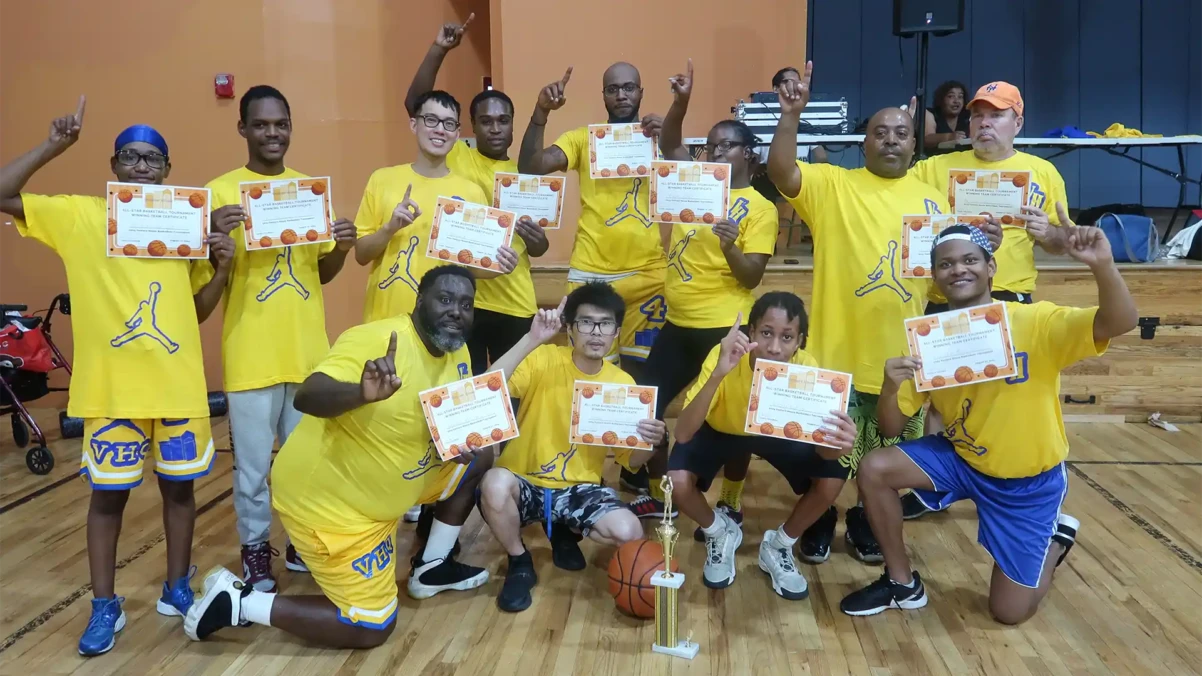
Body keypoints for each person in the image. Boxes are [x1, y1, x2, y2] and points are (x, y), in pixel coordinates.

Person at [0, 98, 235, 656]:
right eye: (131, 157)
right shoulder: (83, 216)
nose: (142, 167)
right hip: (111, 393)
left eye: (153, 159)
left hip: (176, 387)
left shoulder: (186, 223)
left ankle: (176, 587)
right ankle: (105, 605)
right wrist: (54, 146)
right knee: (108, 499)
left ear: (168, 170)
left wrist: (222, 266)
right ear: (114, 164)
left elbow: (197, 310)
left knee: (180, 492)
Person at [840, 220, 1137, 623]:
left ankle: (1055, 540)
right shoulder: (929, 338)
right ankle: (901, 582)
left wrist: (1103, 265)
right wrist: (892, 388)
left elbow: (1119, 323)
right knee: (875, 467)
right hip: (963, 458)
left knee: (1009, 613)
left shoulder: (1034, 322)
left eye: (969, 260)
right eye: (946, 264)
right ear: (935, 276)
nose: (958, 269)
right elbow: (891, 429)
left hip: (1025, 483)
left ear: (991, 267)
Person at [185, 266, 496, 648]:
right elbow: (307, 396)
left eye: (466, 304)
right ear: (419, 301)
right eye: (445, 300)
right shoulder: (377, 339)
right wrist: (360, 395)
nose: (456, 312)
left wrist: (458, 442)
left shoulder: (457, 351)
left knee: (481, 458)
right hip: (332, 507)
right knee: (372, 628)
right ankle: (239, 603)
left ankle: (431, 566)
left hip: (388, 491)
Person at [767, 62, 958, 564]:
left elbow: (949, 281)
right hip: (836, 359)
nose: (891, 140)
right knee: (825, 459)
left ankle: (863, 518)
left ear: (914, 146)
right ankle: (821, 516)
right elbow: (782, 172)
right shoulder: (834, 186)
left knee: (889, 456)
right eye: (880, 132)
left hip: (901, 362)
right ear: (864, 141)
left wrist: (985, 248)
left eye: (901, 133)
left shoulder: (936, 203)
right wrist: (791, 116)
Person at [204, 85, 358, 592]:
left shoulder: (307, 192)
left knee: (303, 465)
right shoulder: (221, 192)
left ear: (291, 128)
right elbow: (206, 274)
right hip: (251, 354)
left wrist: (341, 243)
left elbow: (327, 273)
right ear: (243, 128)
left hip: (308, 354)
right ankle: (253, 553)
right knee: (252, 472)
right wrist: (213, 237)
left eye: (281, 124)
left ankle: (299, 544)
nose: (273, 133)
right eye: (262, 124)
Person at [624, 60, 778, 522]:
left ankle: (731, 498)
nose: (713, 152)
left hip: (723, 327)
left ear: (749, 153)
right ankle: (658, 493)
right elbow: (671, 142)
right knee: (645, 403)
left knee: (729, 419)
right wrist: (681, 101)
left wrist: (730, 247)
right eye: (709, 146)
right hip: (677, 324)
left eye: (725, 145)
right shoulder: (695, 185)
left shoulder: (760, 208)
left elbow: (751, 277)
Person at [904, 81, 1071, 501]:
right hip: (945, 299)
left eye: (995, 115)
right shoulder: (935, 168)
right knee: (940, 398)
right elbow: (902, 210)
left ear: (1018, 121)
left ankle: (1004, 483)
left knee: (1005, 403)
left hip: (1011, 301)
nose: (984, 123)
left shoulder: (1043, 172)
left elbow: (1062, 241)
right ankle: (936, 488)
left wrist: (1047, 232)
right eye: (977, 115)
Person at [478, 283, 667, 612]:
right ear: (570, 329)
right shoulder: (543, 358)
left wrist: (652, 443)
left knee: (630, 529)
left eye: (605, 324)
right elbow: (486, 387)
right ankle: (519, 560)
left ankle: (565, 529)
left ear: (616, 332)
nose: (596, 332)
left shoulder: (624, 385)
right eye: (585, 322)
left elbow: (631, 460)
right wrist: (532, 339)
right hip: (524, 481)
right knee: (493, 484)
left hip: (579, 488)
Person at [666, 292, 859, 599]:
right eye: (766, 333)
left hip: (776, 434)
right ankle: (720, 531)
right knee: (676, 480)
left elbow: (824, 454)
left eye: (787, 337)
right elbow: (685, 434)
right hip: (722, 430)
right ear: (751, 332)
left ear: (799, 342)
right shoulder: (726, 354)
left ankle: (779, 545)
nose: (774, 347)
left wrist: (840, 444)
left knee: (833, 477)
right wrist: (718, 374)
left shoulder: (806, 367)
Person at [403, 14, 550, 376]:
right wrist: (439, 50)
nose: (495, 128)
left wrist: (537, 240)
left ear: (513, 124)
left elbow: (540, 248)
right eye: (486, 121)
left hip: (515, 303)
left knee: (514, 397)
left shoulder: (526, 175)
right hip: (465, 301)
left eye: (503, 120)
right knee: (462, 393)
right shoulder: (458, 155)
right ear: (472, 126)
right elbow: (416, 104)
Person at [517, 62, 666, 370]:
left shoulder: (659, 137)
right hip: (590, 273)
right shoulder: (583, 139)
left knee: (644, 372)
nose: (621, 95)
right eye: (613, 89)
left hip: (648, 276)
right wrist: (541, 113)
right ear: (603, 95)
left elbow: (693, 185)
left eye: (628, 88)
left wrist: (672, 140)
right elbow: (531, 168)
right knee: (589, 374)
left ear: (641, 92)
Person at [353, 89, 520, 324]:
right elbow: (361, 254)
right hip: (385, 319)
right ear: (414, 124)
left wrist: (502, 266)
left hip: (444, 324)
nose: (440, 130)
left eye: (449, 124)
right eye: (431, 120)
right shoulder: (382, 179)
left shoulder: (471, 192)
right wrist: (389, 228)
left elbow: (474, 267)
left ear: (457, 133)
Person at [922, 80, 971, 155]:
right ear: (941, 99)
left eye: (960, 97)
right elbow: (926, 139)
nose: (956, 101)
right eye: (951, 96)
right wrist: (949, 137)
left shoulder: (968, 117)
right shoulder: (930, 114)